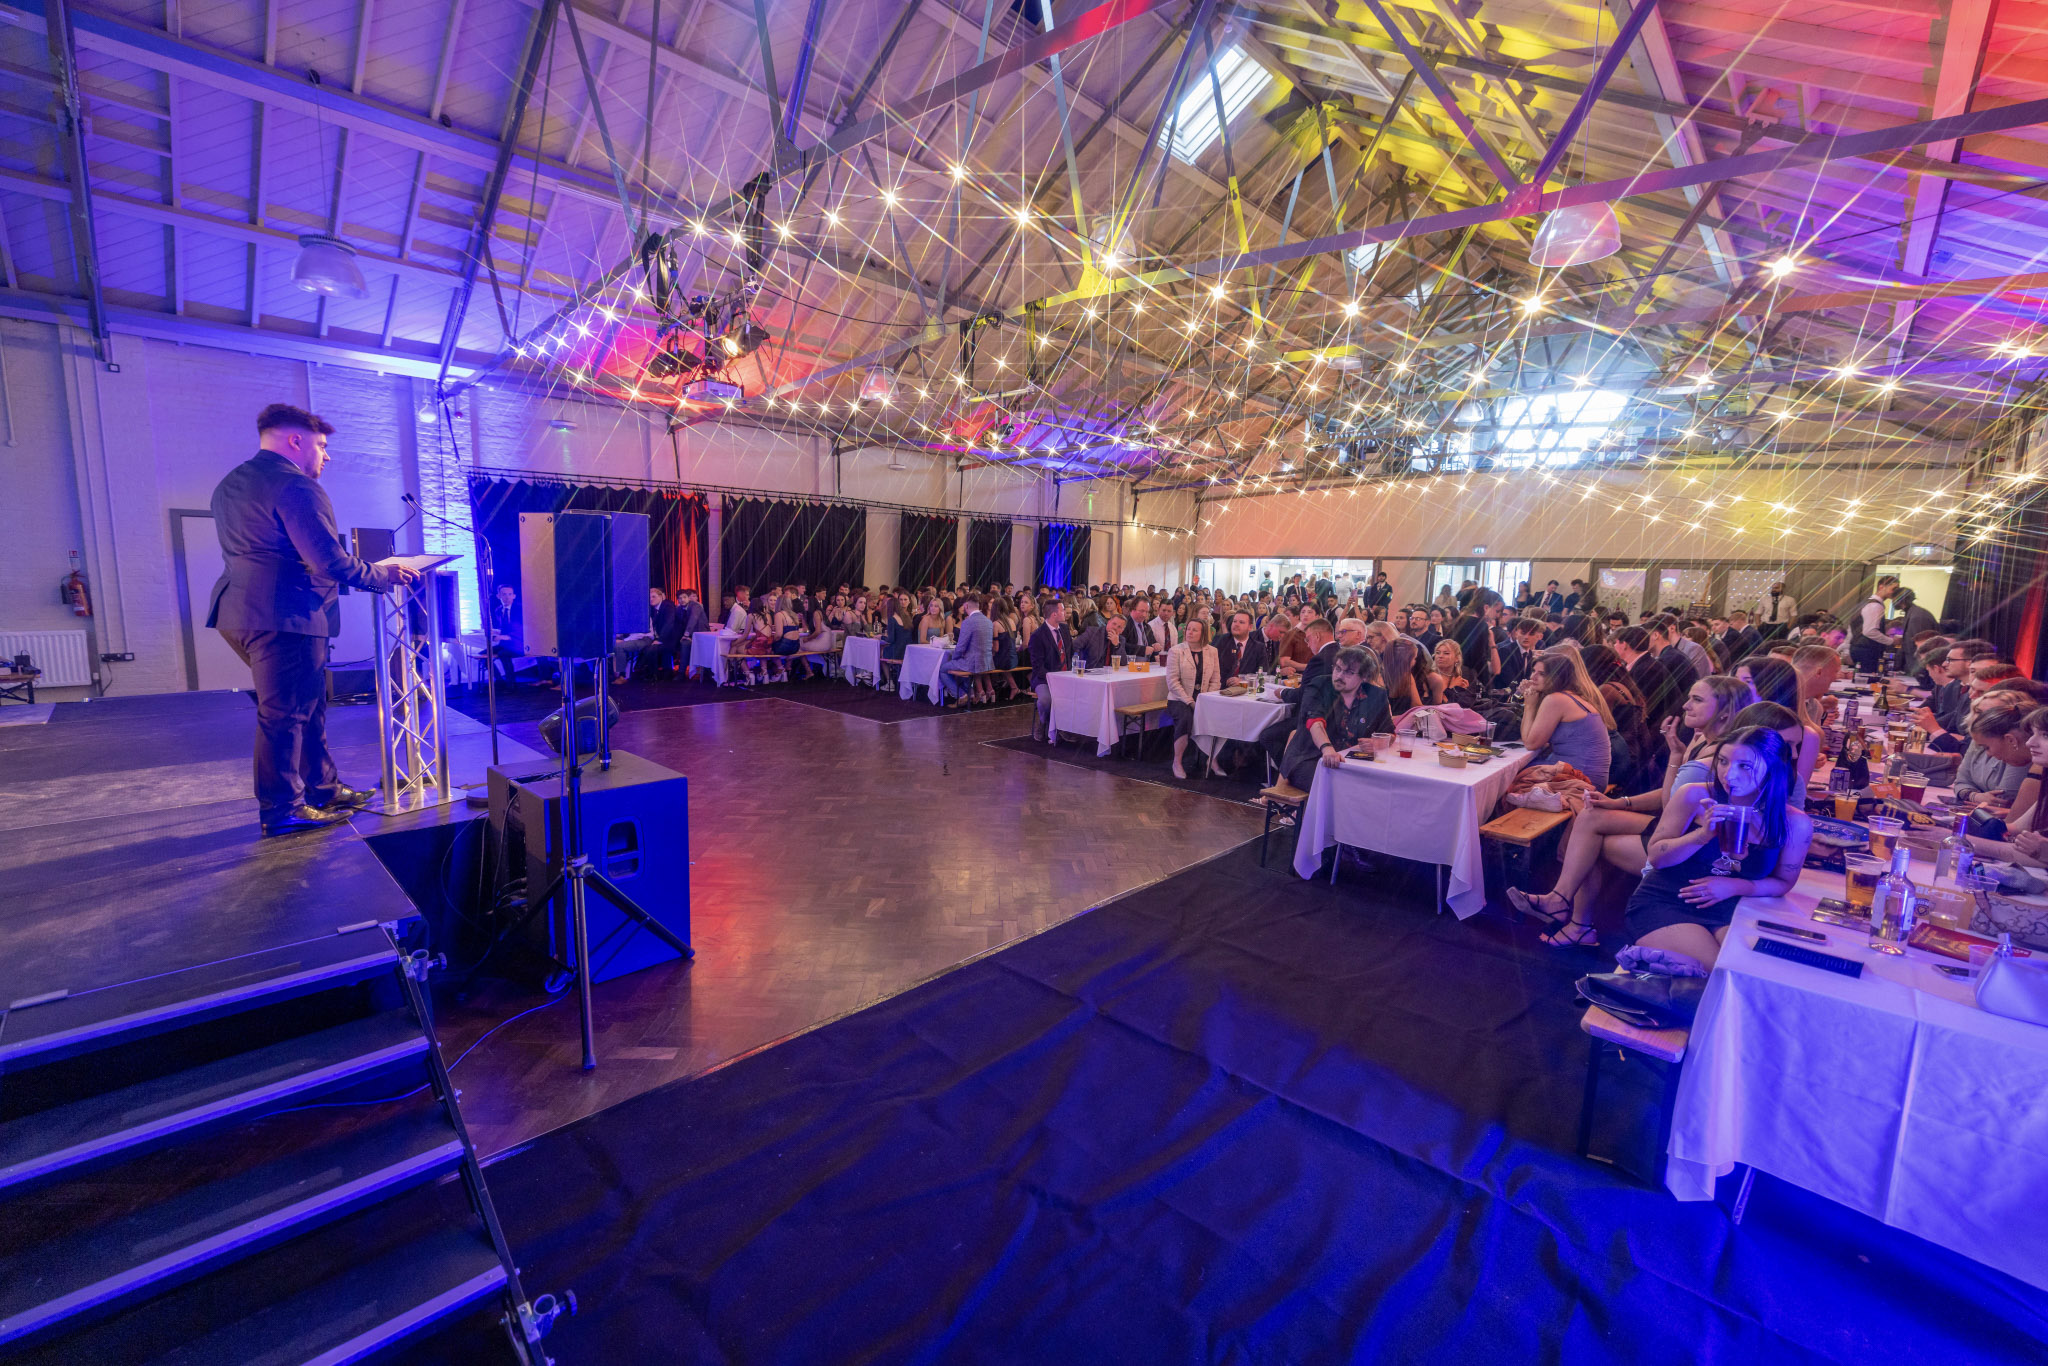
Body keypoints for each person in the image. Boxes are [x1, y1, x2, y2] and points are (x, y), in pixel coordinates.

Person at [207, 403, 417, 836]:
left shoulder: (230, 485)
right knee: (283, 714)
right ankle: (283, 809)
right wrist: (384, 574)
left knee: (306, 705)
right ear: (295, 441)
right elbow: (327, 561)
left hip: (240, 611)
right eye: (321, 446)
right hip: (286, 615)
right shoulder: (296, 486)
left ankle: (324, 788)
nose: (327, 455)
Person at [1511, 674, 1755, 944]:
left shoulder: (1718, 756)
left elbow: (1669, 804)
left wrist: (1675, 757)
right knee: (1589, 817)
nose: (1685, 706)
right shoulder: (1702, 741)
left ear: (1724, 712)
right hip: (1676, 828)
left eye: (1696, 700)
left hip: (1689, 847)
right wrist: (1620, 802)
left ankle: (1572, 916)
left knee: (1587, 838)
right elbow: (1672, 797)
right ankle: (1570, 914)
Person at [1619, 727, 1812, 969]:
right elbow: (1656, 858)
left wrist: (1735, 886)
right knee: (1720, 971)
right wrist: (1702, 835)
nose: (1728, 774)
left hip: (1735, 907)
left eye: (1745, 766)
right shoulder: (1694, 795)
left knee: (1754, 968)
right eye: (1723, 761)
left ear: (1774, 769)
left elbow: (1784, 882)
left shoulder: (1794, 823)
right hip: (1668, 901)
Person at [1279, 646, 1391, 793]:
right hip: (1310, 758)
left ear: (1364, 677)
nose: (1339, 676)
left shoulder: (1376, 695)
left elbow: (1388, 732)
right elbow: (1315, 721)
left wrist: (1377, 743)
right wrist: (1327, 748)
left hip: (1351, 760)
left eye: (1349, 672)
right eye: (1337, 669)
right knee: (1343, 786)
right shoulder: (1320, 685)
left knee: (1379, 785)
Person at [1518, 647, 1613, 788]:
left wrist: (1529, 705)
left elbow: (1530, 744)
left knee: (1513, 778)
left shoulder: (1556, 699)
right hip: (1591, 774)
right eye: (1533, 671)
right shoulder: (1572, 695)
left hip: (1582, 779)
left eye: (1542, 674)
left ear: (1556, 676)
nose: (1533, 678)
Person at [1166, 619, 1224, 780]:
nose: (1189, 632)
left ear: (1203, 633)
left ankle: (1212, 759)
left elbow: (1216, 679)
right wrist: (1190, 701)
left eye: (1194, 630)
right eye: (1188, 629)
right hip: (1179, 699)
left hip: (1204, 698)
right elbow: (1172, 682)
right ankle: (1177, 762)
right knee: (1185, 719)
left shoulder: (1212, 651)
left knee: (1219, 717)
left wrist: (1206, 699)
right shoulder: (1176, 651)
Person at [1611, 627, 1684, 733]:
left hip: (1660, 733)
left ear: (1625, 644)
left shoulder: (1647, 669)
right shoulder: (1643, 664)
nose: (1614, 646)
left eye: (1616, 643)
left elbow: (1643, 710)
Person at [1028, 602, 1072, 743]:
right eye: (1063, 610)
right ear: (1054, 614)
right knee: (1046, 700)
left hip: (1065, 677)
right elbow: (1038, 666)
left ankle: (1065, 727)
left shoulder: (1064, 630)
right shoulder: (1038, 635)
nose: (1065, 613)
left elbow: (1069, 654)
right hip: (1044, 678)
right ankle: (1042, 722)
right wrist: (1054, 679)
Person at [613, 587, 676, 681]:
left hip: (646, 638)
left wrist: (623, 640)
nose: (651, 599)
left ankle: (621, 676)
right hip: (642, 638)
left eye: (653, 597)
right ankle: (612, 674)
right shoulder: (651, 610)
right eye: (649, 597)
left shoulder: (663, 606)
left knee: (619, 646)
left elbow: (642, 632)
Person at [940, 596, 993, 708]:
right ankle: (971, 694)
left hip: (972, 663)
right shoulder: (988, 621)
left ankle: (962, 695)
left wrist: (954, 657)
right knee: (959, 666)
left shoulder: (968, 622)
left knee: (943, 669)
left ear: (966, 606)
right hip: (987, 662)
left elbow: (961, 647)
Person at [1846, 574, 1898, 672]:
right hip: (1867, 651)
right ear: (1881, 587)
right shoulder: (1875, 606)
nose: (1896, 592)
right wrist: (1891, 641)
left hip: (1858, 649)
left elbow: (1852, 628)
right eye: (1894, 588)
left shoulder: (1866, 602)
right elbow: (1870, 631)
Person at [486, 583, 523, 685]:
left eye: (510, 594)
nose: (507, 597)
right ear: (499, 596)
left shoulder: (520, 609)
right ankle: (499, 680)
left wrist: (502, 637)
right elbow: (505, 629)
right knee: (485, 654)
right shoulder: (498, 610)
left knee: (503, 654)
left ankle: (511, 684)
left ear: (514, 596)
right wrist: (495, 632)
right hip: (506, 644)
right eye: (504, 594)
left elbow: (521, 630)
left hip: (520, 644)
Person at [1217, 610, 1268, 681]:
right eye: (1234, 621)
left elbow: (1262, 674)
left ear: (1250, 627)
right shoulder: (1221, 641)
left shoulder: (1258, 647)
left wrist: (1242, 680)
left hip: (1247, 688)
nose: (1236, 624)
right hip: (1222, 688)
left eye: (1241, 622)